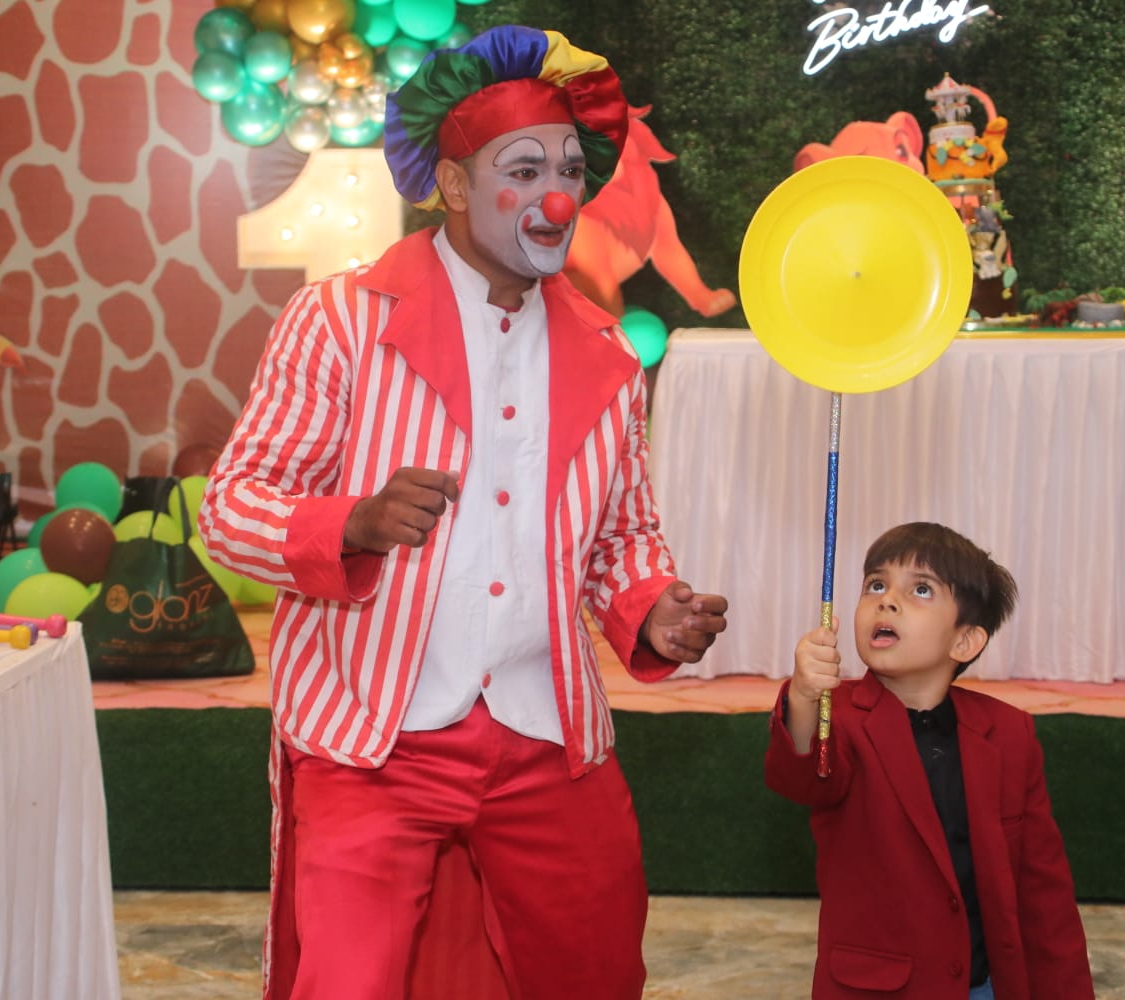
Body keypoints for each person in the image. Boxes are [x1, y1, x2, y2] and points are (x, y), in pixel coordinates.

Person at [197, 24, 729, 1000]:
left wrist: (651, 605)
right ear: (451, 184)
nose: (557, 198)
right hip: (372, 741)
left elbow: (621, 538)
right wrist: (351, 524)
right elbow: (230, 510)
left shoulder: (610, 354)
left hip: (547, 737)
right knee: (347, 984)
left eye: (570, 170)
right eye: (523, 171)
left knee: (597, 973)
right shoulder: (341, 322)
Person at [764, 522, 1093, 999]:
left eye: (921, 589)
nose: (887, 601)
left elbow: (1044, 893)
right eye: (876, 585)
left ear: (965, 642)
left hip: (986, 985)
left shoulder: (1009, 734)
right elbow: (803, 778)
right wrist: (803, 698)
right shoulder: (841, 719)